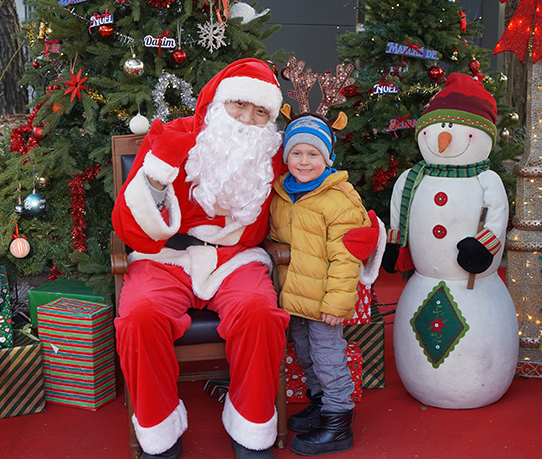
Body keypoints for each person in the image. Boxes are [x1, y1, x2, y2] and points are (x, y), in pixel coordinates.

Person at [112, 58, 290, 459]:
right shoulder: (173, 137)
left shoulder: (270, 154)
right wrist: (157, 179)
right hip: (165, 258)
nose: (247, 119)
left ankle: (252, 427)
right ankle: (159, 434)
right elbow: (127, 226)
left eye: (261, 111)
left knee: (260, 314)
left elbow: (306, 196)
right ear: (217, 103)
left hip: (235, 259)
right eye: (238, 105)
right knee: (140, 317)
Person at [268, 114, 384, 456]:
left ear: (327, 158)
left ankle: (337, 419)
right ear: (286, 156)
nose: (304, 162)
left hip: (323, 301)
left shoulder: (337, 201)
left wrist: (336, 305)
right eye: (297, 153)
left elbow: (346, 257)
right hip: (295, 297)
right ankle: (320, 404)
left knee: (327, 357)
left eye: (313, 154)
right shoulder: (281, 193)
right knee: (305, 355)